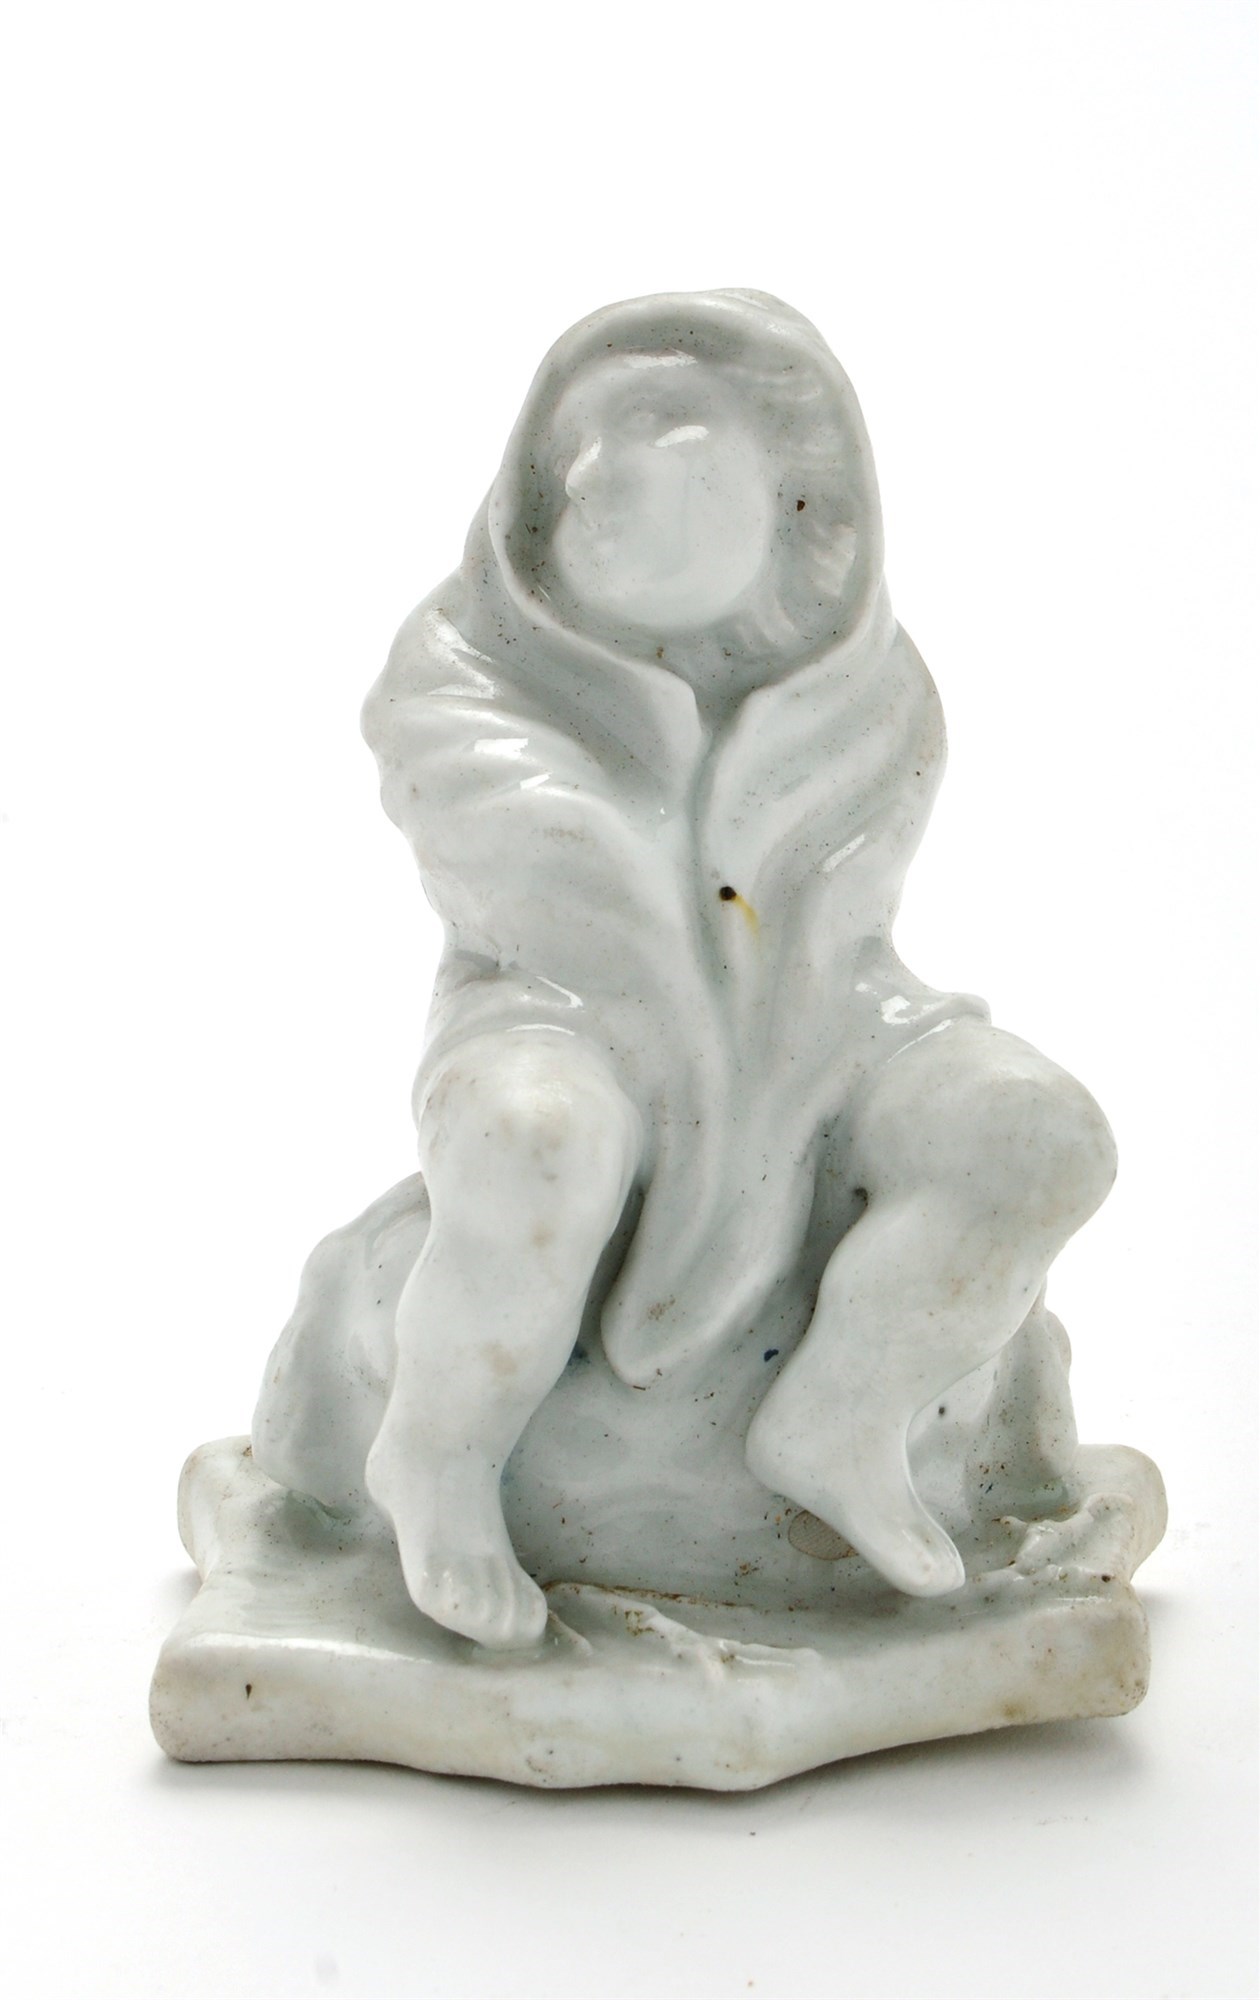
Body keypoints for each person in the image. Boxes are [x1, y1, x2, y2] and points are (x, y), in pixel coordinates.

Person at [254, 291, 1115, 1648]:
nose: (595, 479)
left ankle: (842, 1413)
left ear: (799, 486)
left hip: (831, 1028)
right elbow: (575, 914)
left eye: (658, 425)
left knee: (1038, 1131)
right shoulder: (456, 682)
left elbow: (835, 946)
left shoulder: (876, 698)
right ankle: (439, 1460)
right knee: (537, 1139)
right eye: (570, 451)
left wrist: (806, 1081)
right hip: (555, 1019)